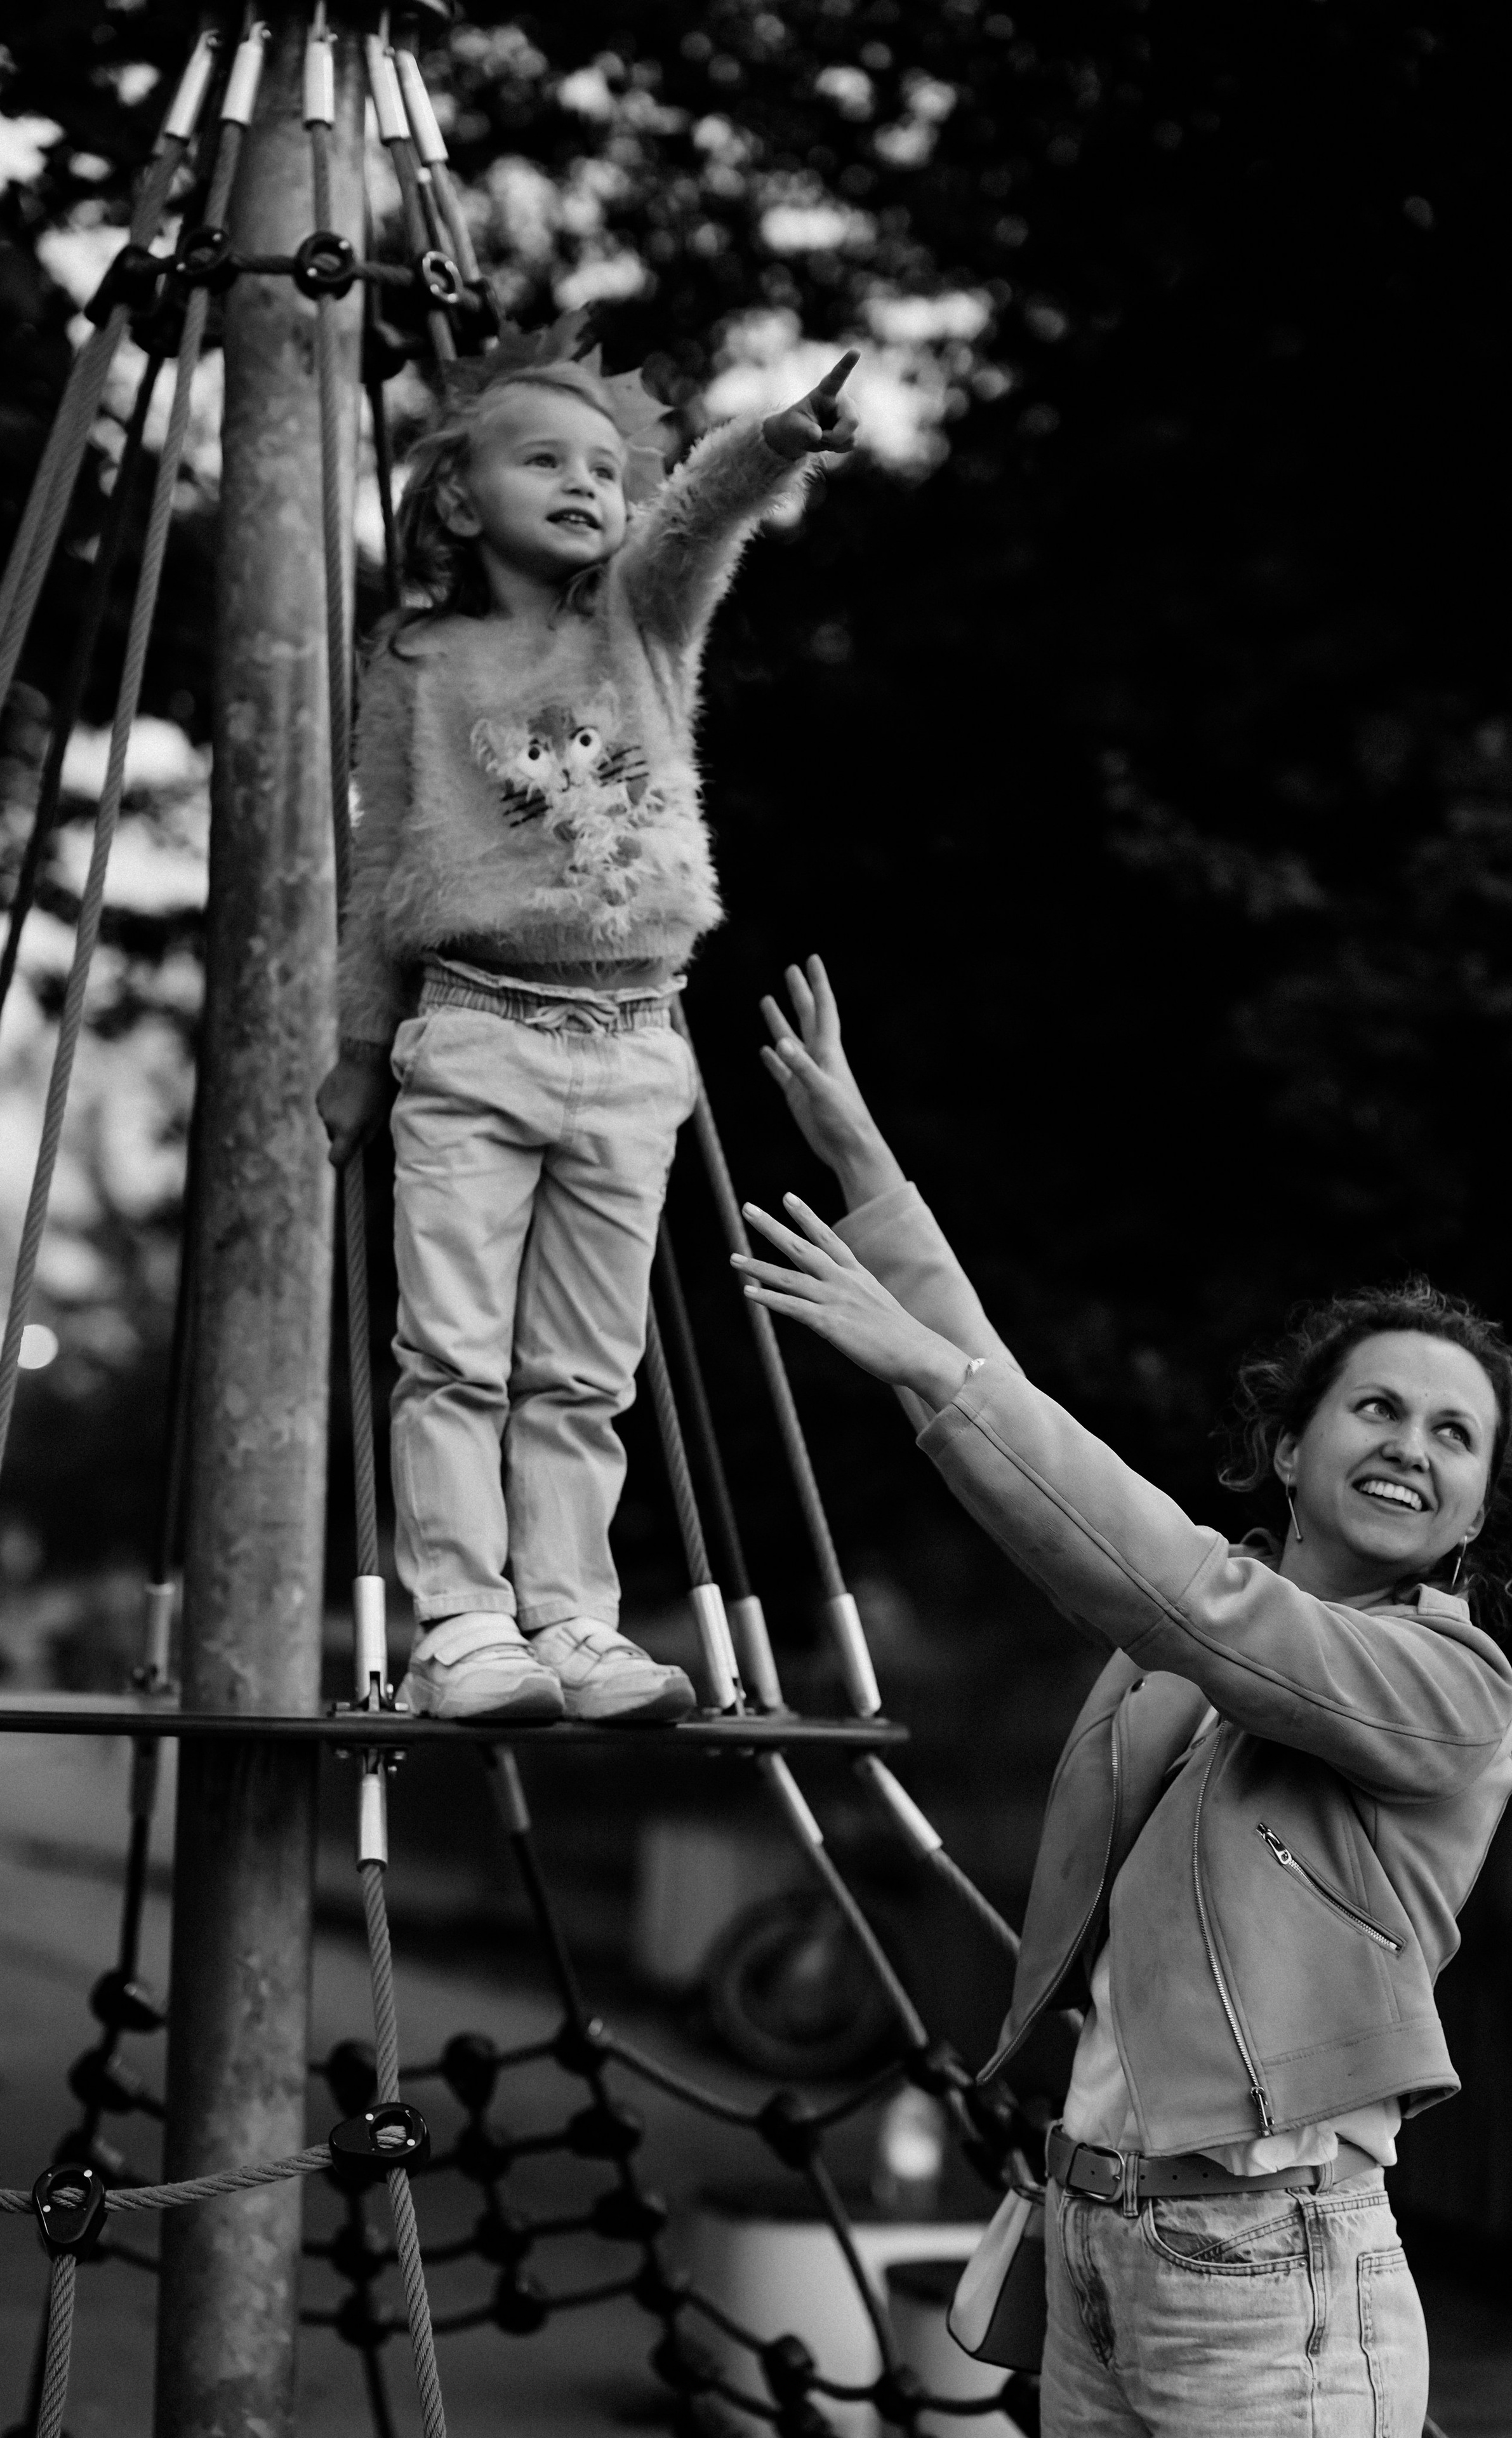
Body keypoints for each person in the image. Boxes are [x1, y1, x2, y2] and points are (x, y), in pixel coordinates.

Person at [734, 956, 1512, 2436]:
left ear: (1470, 1514)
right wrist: (868, 1171)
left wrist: (940, 1378)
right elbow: (1050, 1473)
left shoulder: (1446, 1688)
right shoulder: (1185, 1632)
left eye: (1452, 1433)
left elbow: (1169, 1585)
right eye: (1374, 1405)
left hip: (1274, 2270)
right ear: (1287, 1451)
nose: (1409, 1442)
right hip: (1092, 2235)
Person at [316, 324, 858, 1724]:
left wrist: (773, 444)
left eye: (606, 471)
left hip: (631, 1045)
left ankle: (572, 1621)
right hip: (475, 1031)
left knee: (581, 1371)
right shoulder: (418, 661)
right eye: (543, 459)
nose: (586, 487)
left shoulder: (638, 619)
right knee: (451, 1354)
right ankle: (462, 1623)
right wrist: (359, 1050)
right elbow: (381, 862)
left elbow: (697, 524)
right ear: (457, 495)